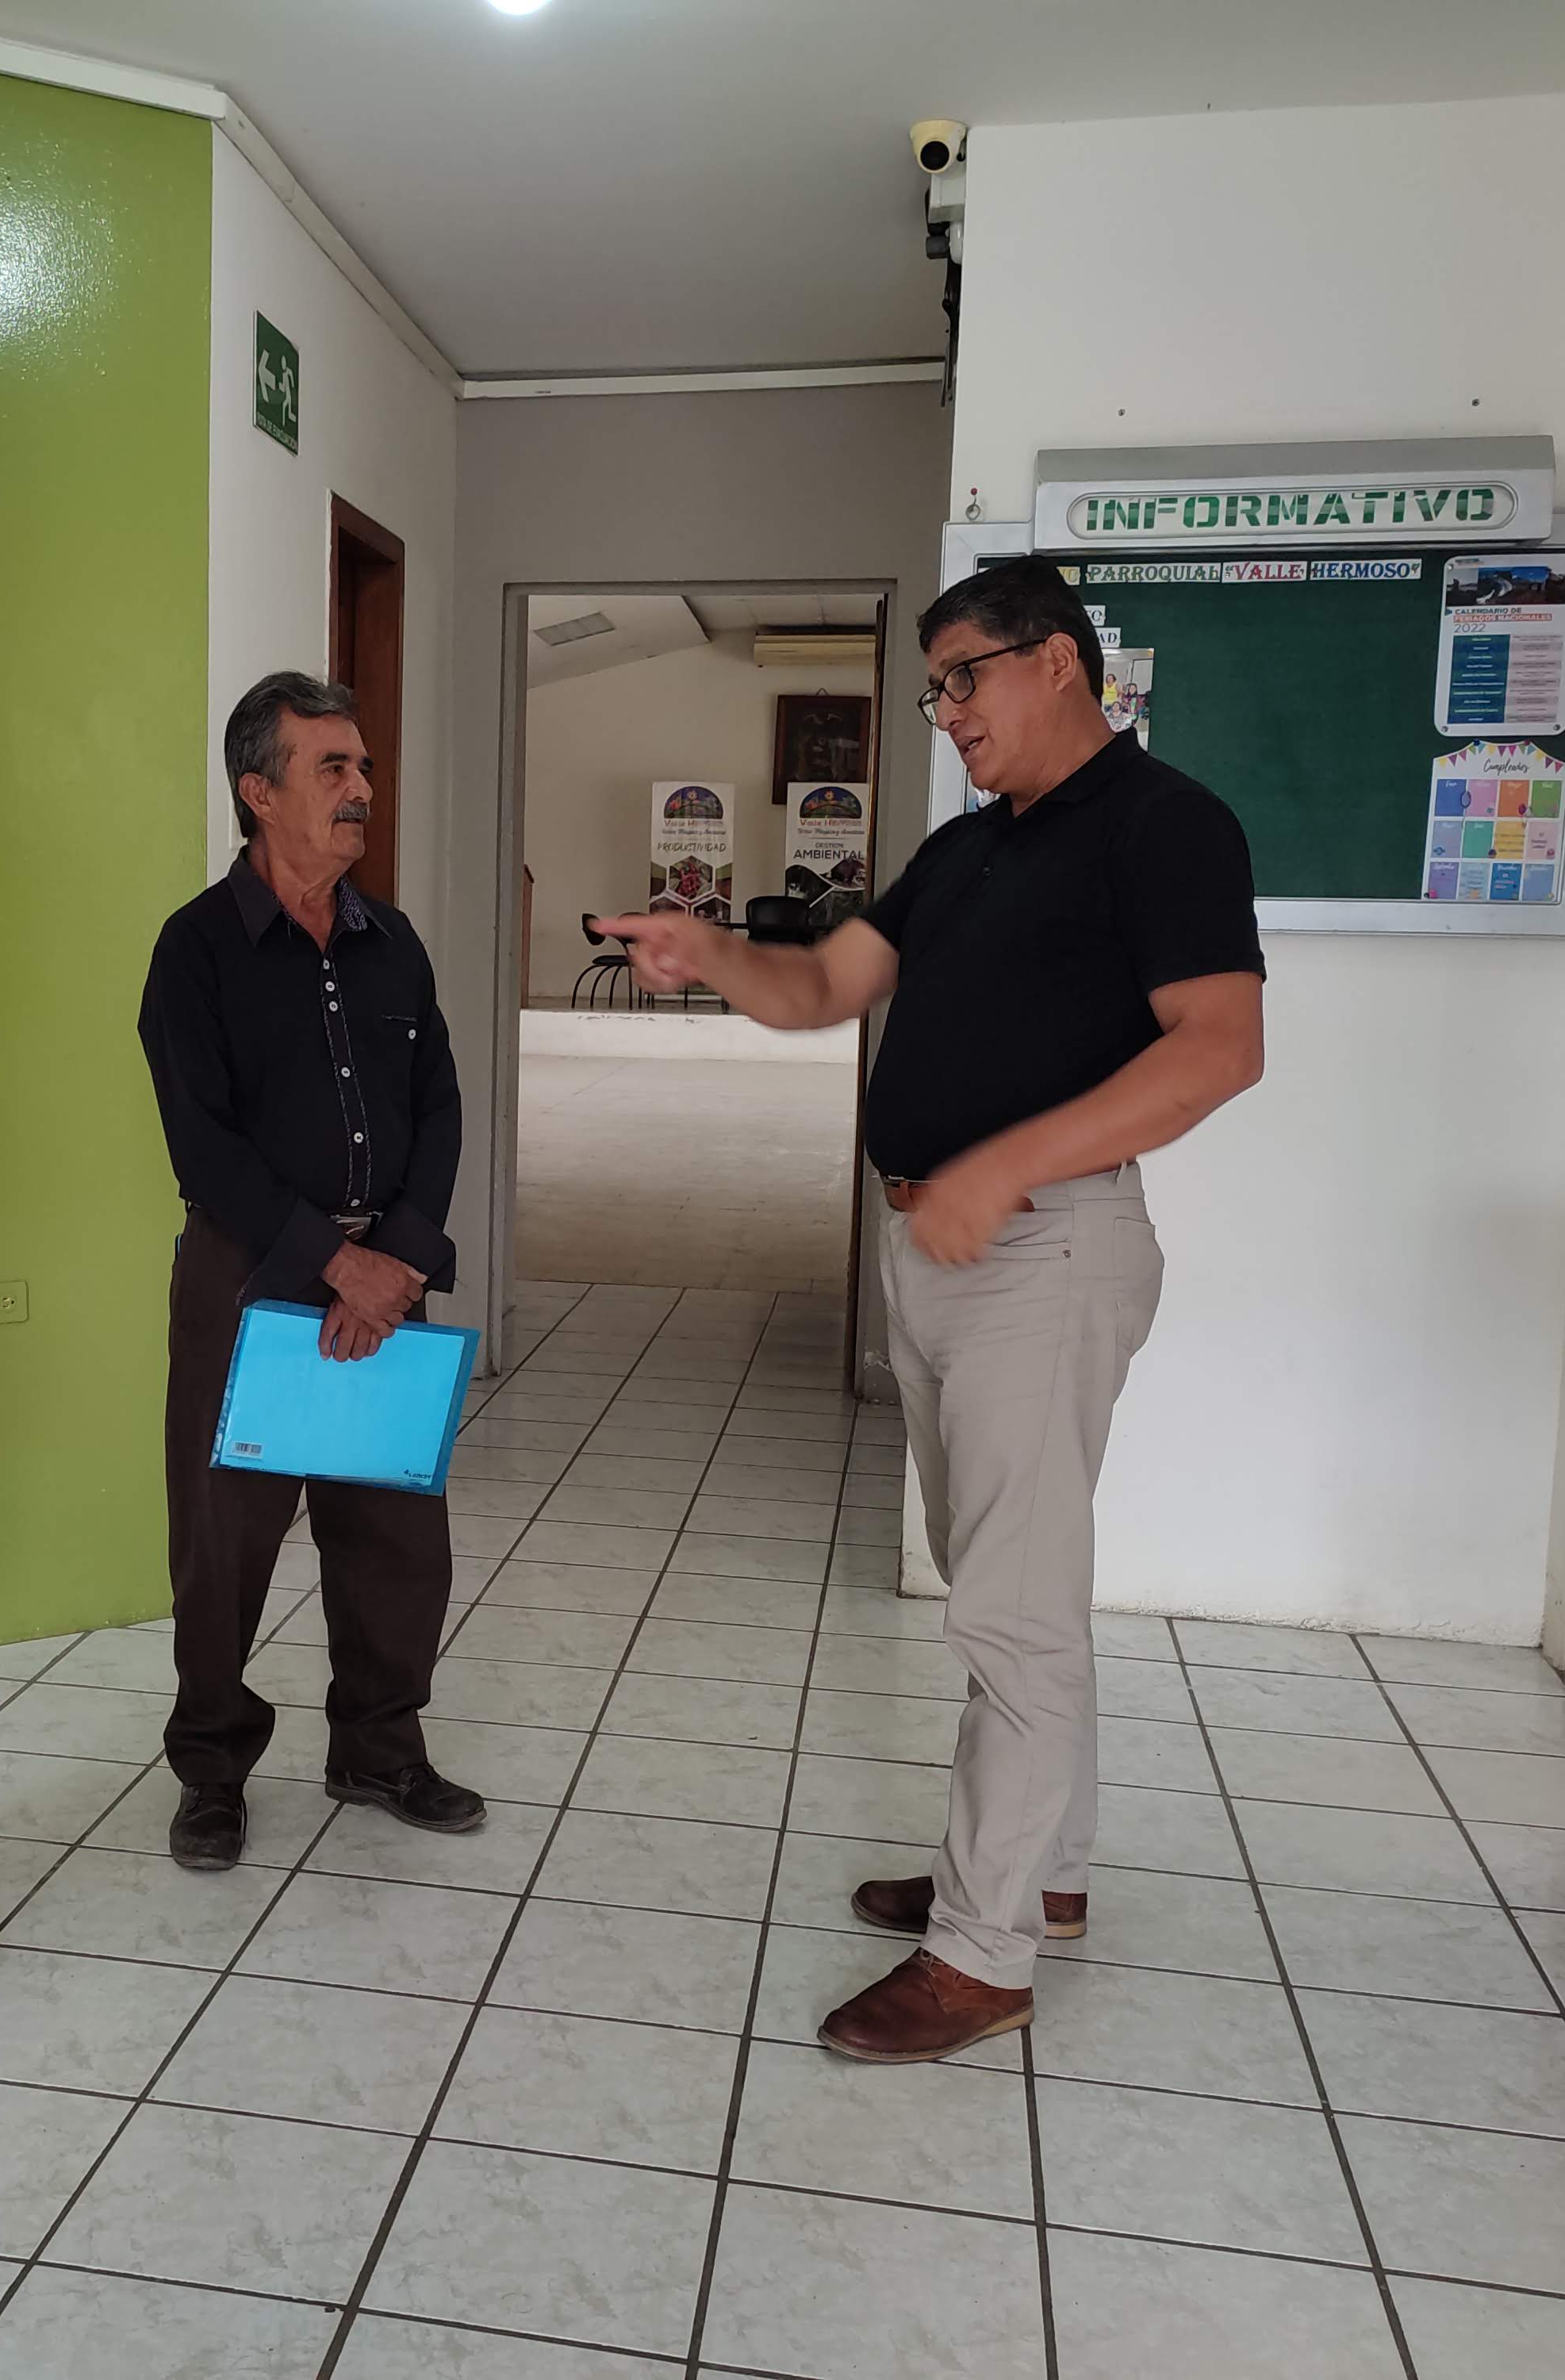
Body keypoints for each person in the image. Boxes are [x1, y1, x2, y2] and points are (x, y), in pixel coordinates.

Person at [598, 557, 1265, 2065]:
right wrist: (710, 956)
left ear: (1059, 662)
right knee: (1005, 1582)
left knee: (1010, 1612)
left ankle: (982, 1954)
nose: (947, 710)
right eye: (935, 687)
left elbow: (1219, 1048)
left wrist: (1006, 1166)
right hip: (946, 1253)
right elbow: (830, 983)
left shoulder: (1166, 825)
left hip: (1045, 1247)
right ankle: (1045, 1872)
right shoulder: (968, 850)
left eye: (966, 675)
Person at [138, 671, 485, 1870]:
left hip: (385, 1278)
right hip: (249, 1281)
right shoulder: (196, 950)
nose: (360, 788)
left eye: (364, 766)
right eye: (332, 767)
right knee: (223, 1543)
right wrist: (333, 1263)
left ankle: (379, 1749)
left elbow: (438, 1107)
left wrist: (400, 1259)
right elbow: (203, 1145)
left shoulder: (394, 945)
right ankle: (212, 1770)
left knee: (396, 1535)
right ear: (258, 791)